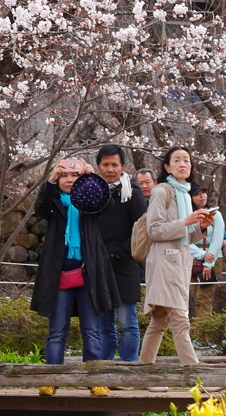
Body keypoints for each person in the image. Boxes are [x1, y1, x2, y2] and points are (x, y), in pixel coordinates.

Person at [31, 159, 119, 397]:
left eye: (75, 176)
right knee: (57, 330)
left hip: (88, 272)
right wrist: (50, 180)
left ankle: (95, 380)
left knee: (92, 329)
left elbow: (107, 205)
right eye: (65, 176)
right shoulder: (54, 203)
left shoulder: (89, 201)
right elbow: (39, 208)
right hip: (59, 273)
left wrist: (94, 180)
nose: (70, 180)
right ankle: (52, 380)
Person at [139, 146, 214, 365]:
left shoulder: (184, 194)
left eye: (187, 161)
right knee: (181, 320)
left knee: (159, 323)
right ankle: (195, 376)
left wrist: (200, 227)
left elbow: (184, 237)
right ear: (167, 167)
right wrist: (186, 222)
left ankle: (144, 373)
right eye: (177, 160)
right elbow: (155, 230)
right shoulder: (162, 191)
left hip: (180, 263)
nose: (183, 164)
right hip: (164, 263)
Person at [93, 144, 146, 361]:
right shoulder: (91, 192)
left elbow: (141, 230)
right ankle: (106, 370)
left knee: (127, 322)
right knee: (104, 323)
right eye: (105, 165)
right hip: (99, 265)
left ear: (123, 166)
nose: (110, 169)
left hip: (124, 263)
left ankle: (129, 368)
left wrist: (118, 251)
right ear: (98, 167)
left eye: (115, 164)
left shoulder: (132, 193)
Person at [189, 183, 225, 320]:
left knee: (203, 298)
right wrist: (202, 255)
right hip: (193, 259)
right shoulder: (189, 215)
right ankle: (200, 334)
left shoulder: (216, 214)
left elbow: (217, 239)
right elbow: (185, 240)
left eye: (204, 192)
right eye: (198, 194)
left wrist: (208, 263)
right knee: (196, 297)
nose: (202, 196)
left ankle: (203, 338)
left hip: (213, 259)